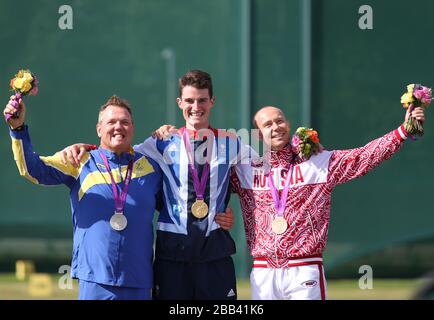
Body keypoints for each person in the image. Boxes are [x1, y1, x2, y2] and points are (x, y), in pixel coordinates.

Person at [58, 70, 240, 300]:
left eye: (202, 100)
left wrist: (225, 210)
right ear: (179, 102)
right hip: (172, 257)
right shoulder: (159, 143)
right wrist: (87, 148)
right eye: (189, 100)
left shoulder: (232, 142)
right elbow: (118, 150)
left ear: (212, 101)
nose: (196, 106)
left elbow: (256, 175)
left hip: (214, 254)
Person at [229, 105, 426, 300]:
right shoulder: (245, 170)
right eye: (268, 124)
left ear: (288, 124)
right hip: (264, 271)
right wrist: (223, 215)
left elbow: (363, 157)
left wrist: (402, 132)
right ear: (258, 135)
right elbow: (211, 185)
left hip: (305, 269)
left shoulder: (318, 162)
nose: (276, 127)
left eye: (279, 120)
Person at [3, 95, 163, 300]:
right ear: (98, 129)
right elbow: (33, 170)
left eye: (125, 122)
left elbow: (178, 204)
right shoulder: (78, 160)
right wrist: (18, 129)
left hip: (139, 282)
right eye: (111, 122)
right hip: (94, 280)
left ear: (133, 127)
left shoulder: (151, 168)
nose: (118, 127)